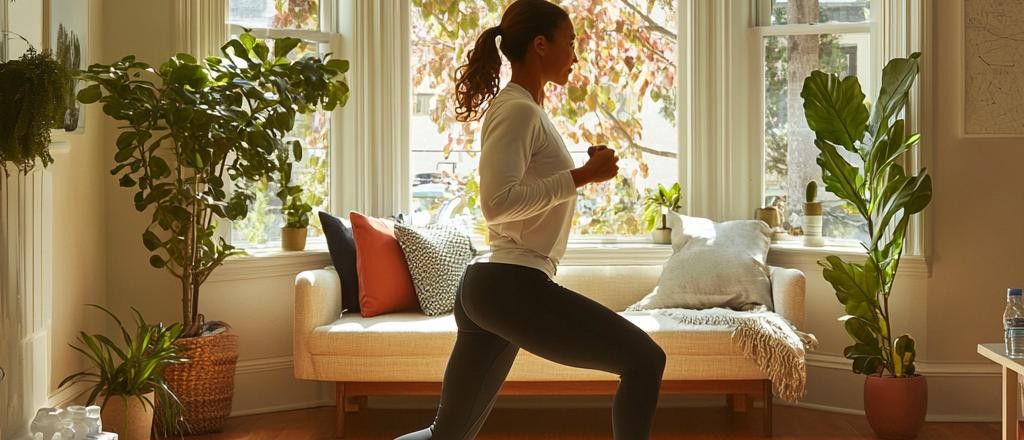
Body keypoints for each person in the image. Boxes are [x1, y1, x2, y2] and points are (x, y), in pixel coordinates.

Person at [396, 1, 666, 438]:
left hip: (496, 286)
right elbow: (498, 203)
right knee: (645, 360)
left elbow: (530, 191)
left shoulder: (527, 109)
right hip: (509, 285)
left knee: (446, 435)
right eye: (571, 43)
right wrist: (581, 176)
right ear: (541, 45)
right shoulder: (517, 109)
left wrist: (582, 174)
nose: (576, 55)